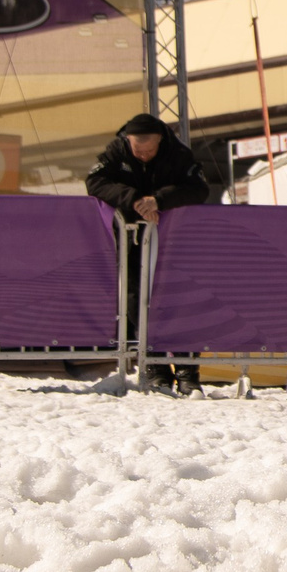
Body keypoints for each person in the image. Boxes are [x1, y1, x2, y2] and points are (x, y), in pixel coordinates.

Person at [87, 114, 210, 392]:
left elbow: (198, 188)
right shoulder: (116, 150)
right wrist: (133, 200)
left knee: (180, 300)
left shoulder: (179, 153)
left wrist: (160, 200)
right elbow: (95, 181)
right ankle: (154, 365)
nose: (142, 156)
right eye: (137, 150)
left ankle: (188, 370)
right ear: (127, 141)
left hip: (174, 241)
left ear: (160, 141)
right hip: (131, 239)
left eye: (149, 150)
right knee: (136, 299)